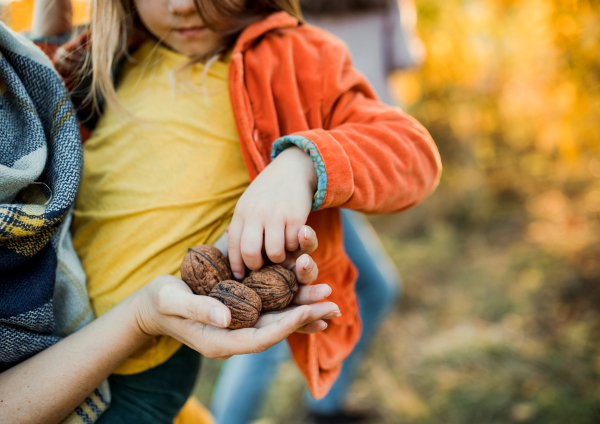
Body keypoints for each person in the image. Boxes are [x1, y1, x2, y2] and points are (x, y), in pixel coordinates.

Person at [28, 0, 441, 422]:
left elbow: (412, 151)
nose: (182, 5)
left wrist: (302, 164)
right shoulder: (107, 53)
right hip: (50, 345)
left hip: (143, 366)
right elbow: (26, 113)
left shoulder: (295, 54)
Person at [0, 17, 335, 424]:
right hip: (69, 351)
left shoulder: (285, 52)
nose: (181, 7)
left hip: (149, 355)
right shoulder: (119, 50)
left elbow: (405, 146)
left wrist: (302, 162)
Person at [210, 1, 426, 423]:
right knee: (276, 312)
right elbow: (406, 57)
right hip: (321, 168)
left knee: (369, 288)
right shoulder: (379, 9)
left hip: (336, 163)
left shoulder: (300, 19)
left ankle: (324, 407)